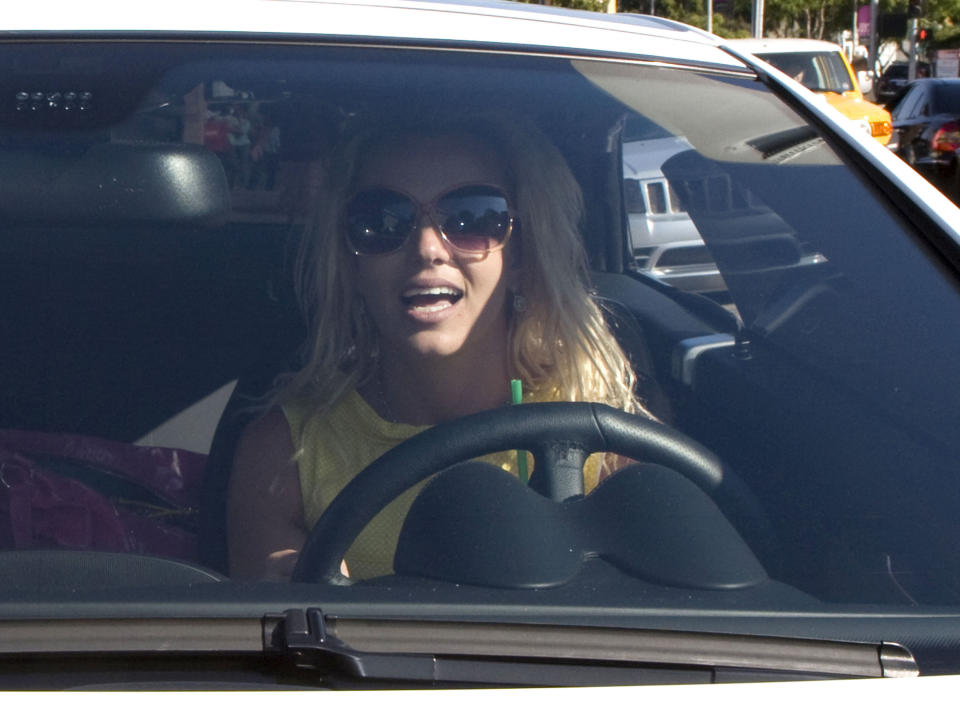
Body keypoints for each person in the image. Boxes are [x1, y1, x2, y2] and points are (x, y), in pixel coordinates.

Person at [227, 112, 654, 581]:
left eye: (473, 217)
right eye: (383, 221)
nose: (428, 247)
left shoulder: (599, 442)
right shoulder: (288, 453)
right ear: (349, 264)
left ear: (522, 258)